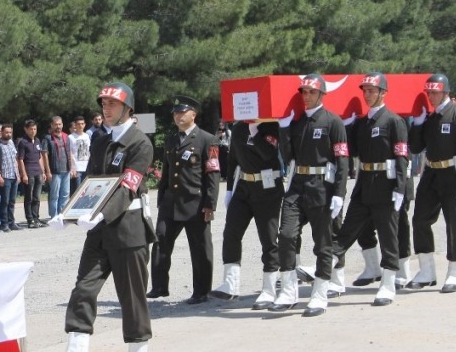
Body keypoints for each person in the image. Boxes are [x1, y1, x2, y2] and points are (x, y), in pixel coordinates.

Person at [39, 81, 156, 352]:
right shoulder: (102, 141)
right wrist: (68, 213)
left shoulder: (140, 143)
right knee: (83, 290)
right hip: (99, 230)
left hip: (128, 228)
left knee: (131, 299)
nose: (106, 109)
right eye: (103, 104)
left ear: (127, 108)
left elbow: (127, 186)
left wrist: (101, 214)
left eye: (112, 105)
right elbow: (92, 183)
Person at [270, 74, 349, 317]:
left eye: (311, 92)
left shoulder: (333, 122)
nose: (307, 96)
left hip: (321, 186)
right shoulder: (298, 123)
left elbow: (342, 159)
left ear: (322, 94)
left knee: (323, 242)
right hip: (297, 183)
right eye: (303, 92)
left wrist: (339, 193)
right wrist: (283, 130)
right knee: (285, 235)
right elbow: (288, 155)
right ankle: (289, 290)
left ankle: (319, 293)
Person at [330, 73, 408, 306]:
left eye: (372, 90)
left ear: (383, 92)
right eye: (365, 90)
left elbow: (402, 156)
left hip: (386, 183)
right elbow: (349, 150)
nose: (367, 94)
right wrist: (344, 126)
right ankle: (325, 262)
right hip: (365, 183)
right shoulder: (362, 124)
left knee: (388, 234)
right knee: (348, 229)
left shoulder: (394, 121)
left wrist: (400, 188)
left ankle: (388, 282)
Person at [408, 73, 456, 293]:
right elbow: (416, 148)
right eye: (428, 92)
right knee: (419, 220)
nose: (431, 96)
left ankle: (455, 271)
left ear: (446, 92)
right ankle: (427, 271)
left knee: (454, 224)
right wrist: (417, 124)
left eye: (435, 92)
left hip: (453, 176)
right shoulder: (429, 118)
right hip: (431, 174)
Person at [147, 95, 220, 304]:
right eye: (175, 113)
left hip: (195, 203)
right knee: (160, 239)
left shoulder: (206, 139)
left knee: (199, 248)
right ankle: (160, 286)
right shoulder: (171, 139)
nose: (178, 116)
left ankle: (201, 291)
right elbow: (168, 170)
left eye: (182, 112)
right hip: (171, 202)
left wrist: (210, 204)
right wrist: (161, 197)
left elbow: (212, 173)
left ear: (193, 114)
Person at [210, 119, 283, 309]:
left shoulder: (271, 126)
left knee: (268, 237)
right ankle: (230, 284)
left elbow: (268, 154)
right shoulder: (240, 128)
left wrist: (255, 132)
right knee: (231, 233)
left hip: (267, 187)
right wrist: (228, 191)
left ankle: (269, 288)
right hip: (243, 187)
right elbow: (234, 159)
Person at [43, 116, 77, 218]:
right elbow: (44, 155)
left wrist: (72, 167)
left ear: (62, 125)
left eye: (59, 124)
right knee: (54, 195)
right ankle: (54, 216)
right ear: (52, 125)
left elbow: (69, 152)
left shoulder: (66, 137)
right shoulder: (48, 139)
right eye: (55, 124)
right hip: (54, 171)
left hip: (66, 170)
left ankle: (62, 215)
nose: (58, 126)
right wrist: (47, 171)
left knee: (65, 194)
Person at [18, 119, 47, 228]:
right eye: (31, 129)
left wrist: (43, 171)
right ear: (26, 129)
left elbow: (40, 157)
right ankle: (30, 219)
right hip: (29, 172)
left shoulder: (38, 141)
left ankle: (36, 217)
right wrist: (24, 174)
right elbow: (20, 159)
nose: (33, 131)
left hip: (38, 172)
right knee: (29, 197)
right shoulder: (23, 142)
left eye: (35, 129)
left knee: (37, 197)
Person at [0, 124, 21, 231]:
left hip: (13, 175)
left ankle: (11, 222)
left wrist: (18, 173)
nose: (9, 134)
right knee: (4, 201)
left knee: (12, 201)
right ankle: (4, 223)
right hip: (5, 176)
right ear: (1, 132)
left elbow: (15, 158)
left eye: (10, 132)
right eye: (7, 132)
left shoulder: (11, 143)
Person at [68, 116, 90, 193]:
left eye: (82, 124)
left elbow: (88, 150)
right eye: (78, 124)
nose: (80, 126)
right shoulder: (71, 137)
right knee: (77, 191)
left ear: (85, 124)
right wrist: (72, 167)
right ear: (75, 125)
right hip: (77, 168)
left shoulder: (87, 136)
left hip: (86, 166)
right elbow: (69, 152)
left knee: (86, 190)